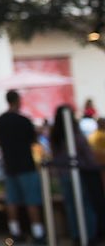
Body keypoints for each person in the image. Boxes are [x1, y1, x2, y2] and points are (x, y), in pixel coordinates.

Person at [0, 90, 46, 244]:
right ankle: (38, 234)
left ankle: (15, 232)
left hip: (10, 165)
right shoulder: (23, 120)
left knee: (12, 201)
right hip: (25, 165)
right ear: (18, 100)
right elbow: (33, 140)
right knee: (31, 200)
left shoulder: (0, 120)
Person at [50, 104, 105, 244]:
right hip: (80, 174)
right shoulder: (75, 134)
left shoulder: (55, 135)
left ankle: (77, 235)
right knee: (86, 205)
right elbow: (88, 156)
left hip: (64, 175)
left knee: (71, 206)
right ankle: (89, 236)